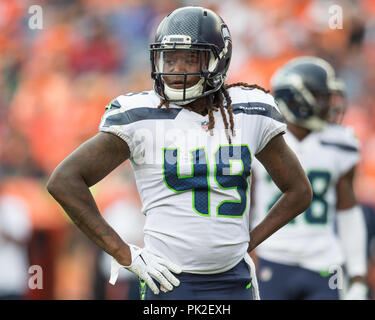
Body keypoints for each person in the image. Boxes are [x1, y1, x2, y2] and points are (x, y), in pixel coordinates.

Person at [47, 6, 312, 300]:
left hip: (235, 280)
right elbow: (65, 180)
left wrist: (249, 243)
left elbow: (298, 190)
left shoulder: (249, 111)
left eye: (189, 59)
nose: (175, 70)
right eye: (169, 59)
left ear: (218, 60)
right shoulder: (141, 117)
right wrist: (125, 253)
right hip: (169, 280)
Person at [251, 56, 369, 300]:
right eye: (322, 96)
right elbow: (246, 206)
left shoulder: (341, 143)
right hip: (273, 256)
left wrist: (358, 274)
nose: (330, 104)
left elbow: (348, 212)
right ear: (296, 99)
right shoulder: (260, 138)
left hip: (324, 261)